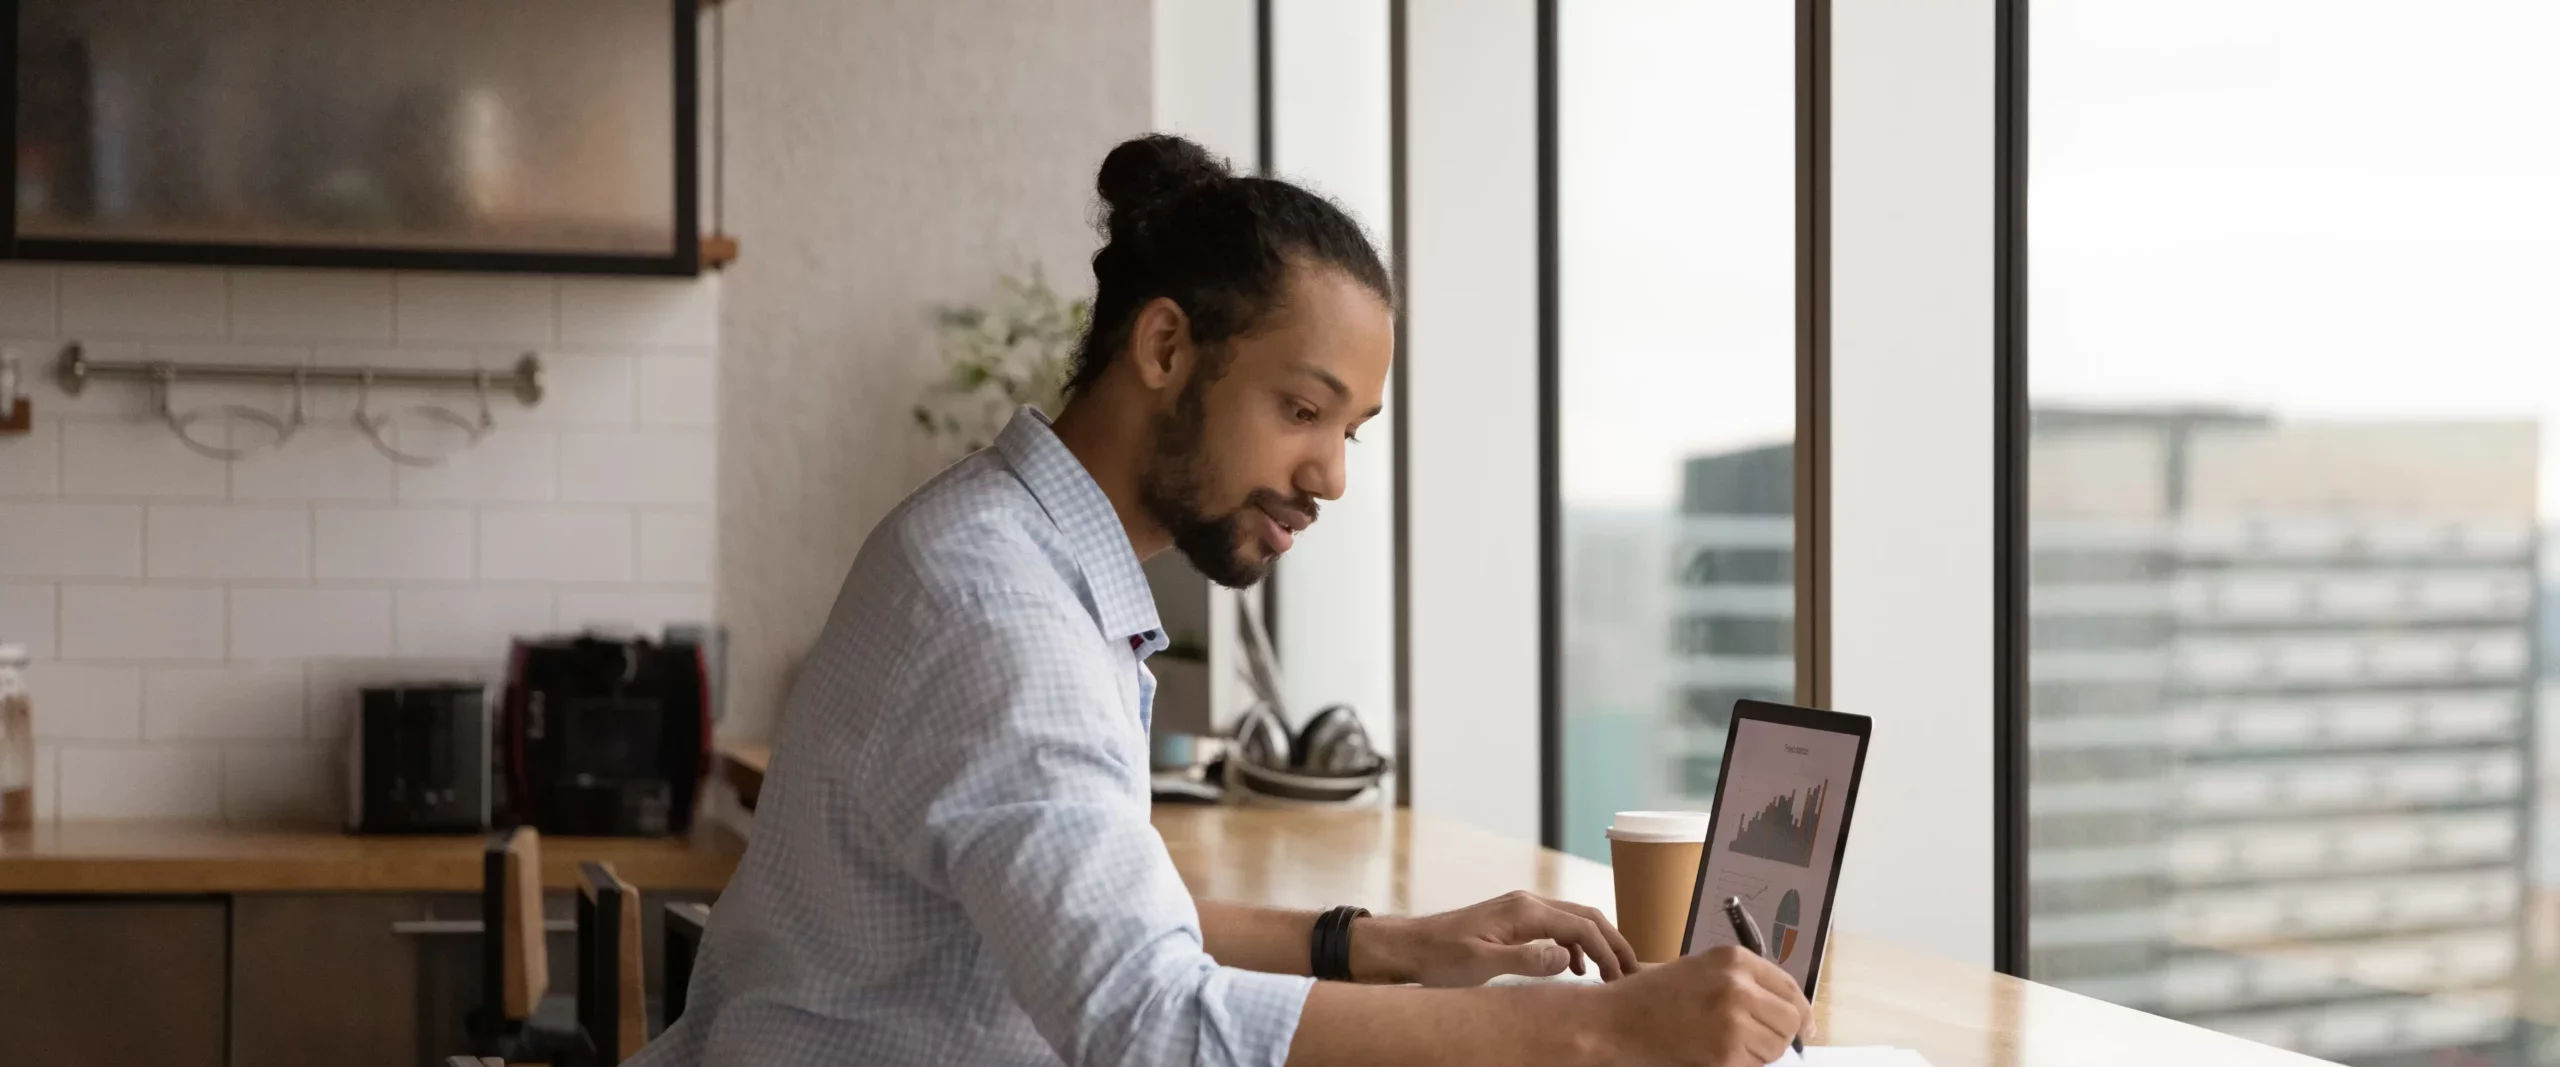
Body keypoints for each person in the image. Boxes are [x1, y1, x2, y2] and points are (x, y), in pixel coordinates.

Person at [634, 134, 1811, 1067]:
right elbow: (1148, 1023)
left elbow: (1102, 914)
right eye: (1301, 410)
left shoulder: (1013, 552)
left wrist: (1387, 943)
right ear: (1163, 348)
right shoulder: (1003, 614)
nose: (1330, 476)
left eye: (1349, 431)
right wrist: (1610, 1030)